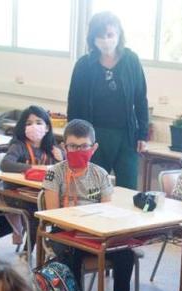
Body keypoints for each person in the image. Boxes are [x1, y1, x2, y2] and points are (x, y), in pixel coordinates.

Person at [42, 119, 135, 291]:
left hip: (94, 233)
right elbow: (52, 214)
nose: (78, 150)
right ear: (64, 147)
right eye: (73, 146)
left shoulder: (100, 174)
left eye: (84, 146)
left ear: (93, 148)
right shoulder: (54, 172)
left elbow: (106, 212)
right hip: (63, 233)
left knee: (126, 253)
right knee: (70, 256)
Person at [67, 11, 149, 189]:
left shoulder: (131, 61)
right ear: (93, 39)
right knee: (93, 188)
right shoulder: (83, 65)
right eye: (100, 36)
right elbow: (74, 105)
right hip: (94, 135)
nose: (106, 40)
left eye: (110, 35)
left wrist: (143, 134)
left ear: (119, 35)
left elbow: (141, 99)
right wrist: (72, 138)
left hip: (126, 136)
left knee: (128, 189)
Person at [0, 105, 64, 245]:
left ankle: (55, 245)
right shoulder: (19, 146)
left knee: (63, 207)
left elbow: (64, 170)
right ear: (23, 128)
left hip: (41, 193)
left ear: (47, 127)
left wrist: (62, 158)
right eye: (29, 123)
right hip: (15, 192)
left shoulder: (52, 147)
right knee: (36, 213)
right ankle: (28, 252)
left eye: (39, 123)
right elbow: (5, 164)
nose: (34, 126)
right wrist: (33, 167)